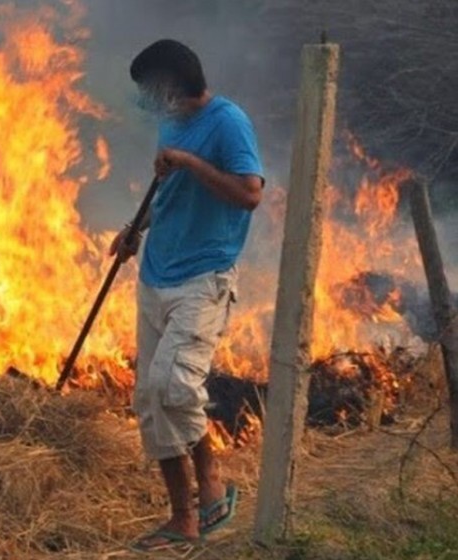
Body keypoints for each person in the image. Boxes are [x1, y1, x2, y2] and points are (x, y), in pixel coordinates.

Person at [109, 39, 265, 553]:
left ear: (173, 86)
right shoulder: (170, 123)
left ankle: (215, 485)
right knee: (151, 402)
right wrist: (136, 229)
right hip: (156, 275)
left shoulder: (228, 123)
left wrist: (191, 162)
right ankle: (184, 518)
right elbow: (170, 194)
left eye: (150, 91)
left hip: (203, 278)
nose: (147, 102)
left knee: (174, 386)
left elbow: (249, 194)